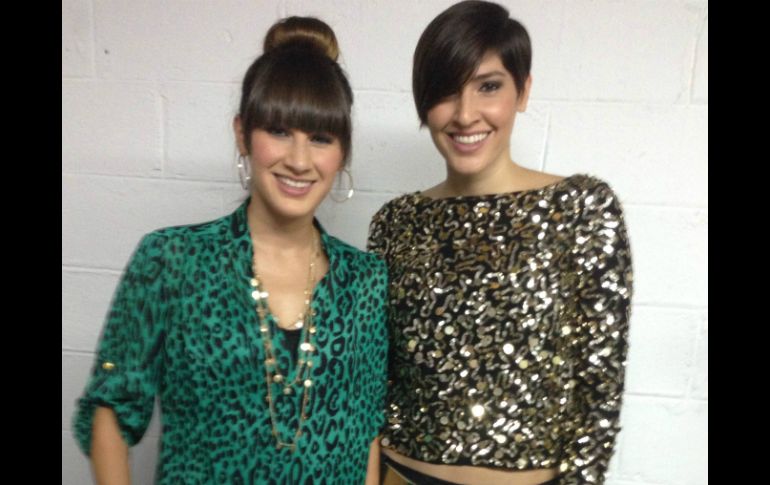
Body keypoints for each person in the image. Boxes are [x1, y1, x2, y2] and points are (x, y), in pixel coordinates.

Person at [73, 16, 388, 484]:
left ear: (342, 153)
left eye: (320, 138)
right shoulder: (172, 260)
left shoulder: (365, 281)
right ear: (242, 133)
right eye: (279, 131)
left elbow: (366, 432)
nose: (299, 160)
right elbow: (112, 407)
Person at [368, 2, 633, 484]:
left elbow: (599, 390)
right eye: (446, 91)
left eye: (488, 86)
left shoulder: (581, 207)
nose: (465, 114)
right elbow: (373, 380)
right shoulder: (395, 222)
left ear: (523, 91)